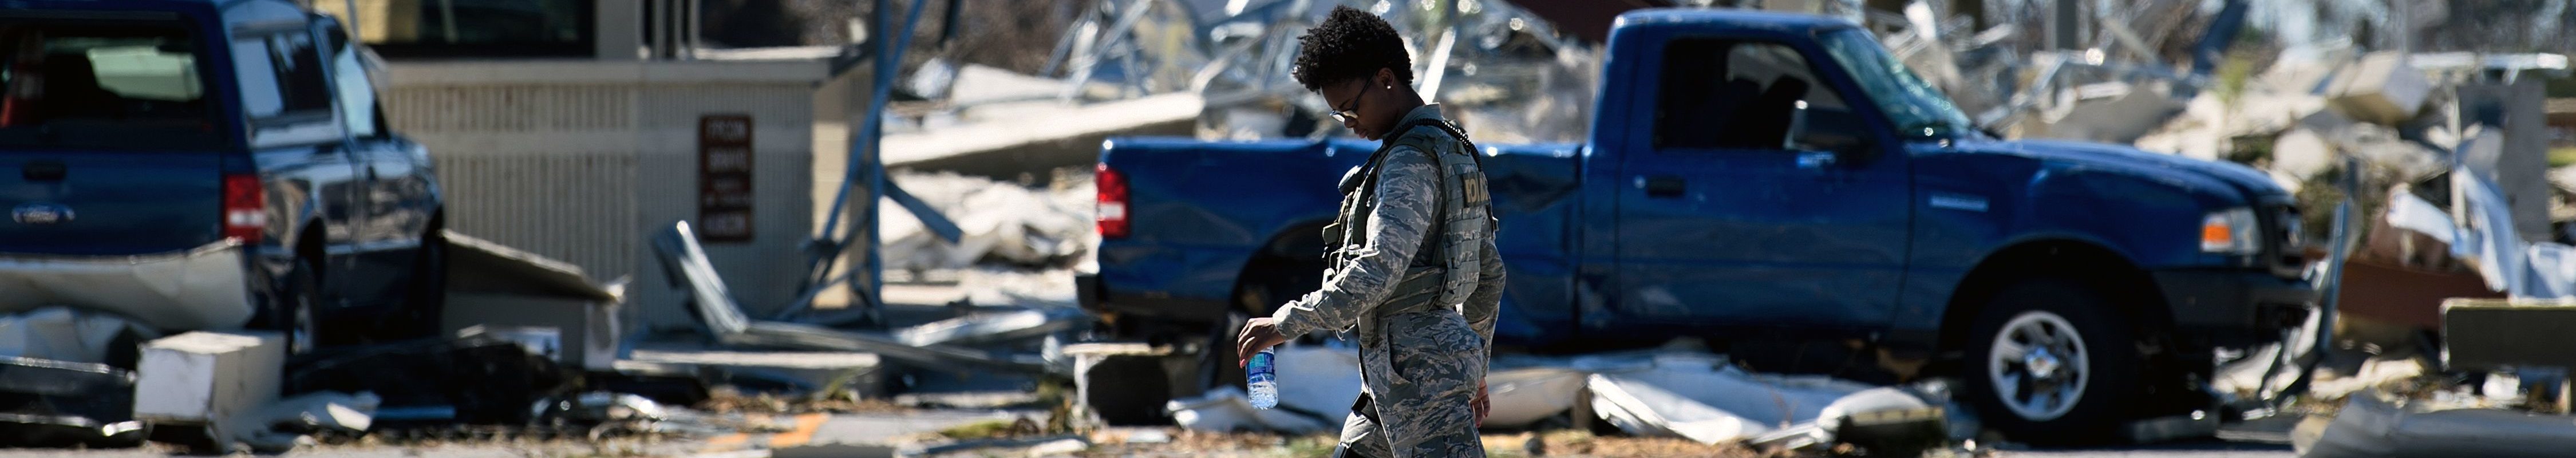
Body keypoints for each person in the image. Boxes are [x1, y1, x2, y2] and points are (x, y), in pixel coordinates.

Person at [1232, 6, 1506, 457]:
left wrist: (1285, 323)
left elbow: (1379, 269)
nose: (1350, 124)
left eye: (1350, 108)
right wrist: (1475, 368)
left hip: (1420, 381)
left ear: (1385, 79)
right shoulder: (1452, 149)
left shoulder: (1408, 162)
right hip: (1403, 377)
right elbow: (1489, 274)